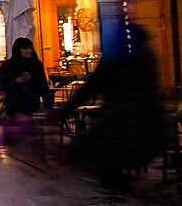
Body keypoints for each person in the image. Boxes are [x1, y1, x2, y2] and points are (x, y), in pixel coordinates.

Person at [58, 23, 168, 190]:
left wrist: (62, 112)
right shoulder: (146, 55)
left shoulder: (115, 55)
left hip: (122, 132)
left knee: (81, 149)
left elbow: (90, 88)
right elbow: (136, 92)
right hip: (153, 129)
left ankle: (113, 200)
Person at [0, 36, 51, 154]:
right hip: (14, 105)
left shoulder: (36, 65)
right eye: (25, 48)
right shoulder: (8, 65)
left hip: (31, 105)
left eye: (30, 48)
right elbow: (0, 85)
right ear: (18, 49)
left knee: (32, 138)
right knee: (16, 140)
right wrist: (16, 83)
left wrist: (47, 107)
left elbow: (43, 87)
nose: (28, 51)